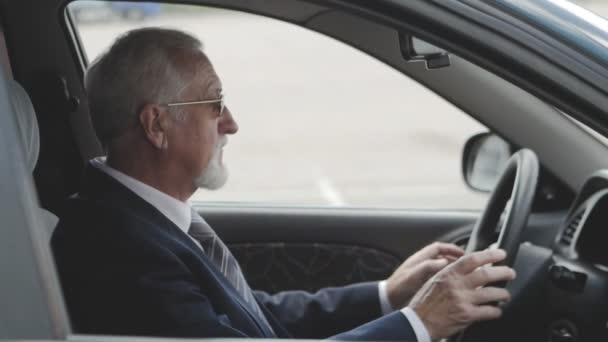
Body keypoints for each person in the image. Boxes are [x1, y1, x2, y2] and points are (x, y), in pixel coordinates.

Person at [51, 28, 516, 341]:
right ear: (156, 125)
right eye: (215, 103)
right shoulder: (117, 246)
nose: (230, 124)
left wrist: (388, 295)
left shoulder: (136, 216)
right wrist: (417, 322)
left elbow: (257, 316)